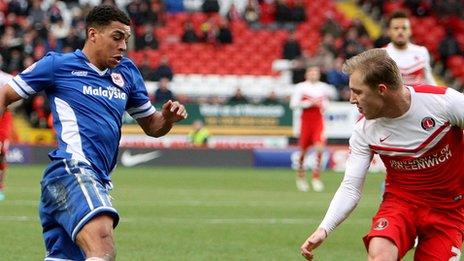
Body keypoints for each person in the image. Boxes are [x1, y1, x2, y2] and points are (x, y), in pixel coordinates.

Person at [0, 5, 187, 260]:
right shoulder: (58, 65)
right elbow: (5, 94)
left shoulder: (127, 73)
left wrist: (166, 118)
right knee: (102, 246)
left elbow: (152, 126)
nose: (123, 46)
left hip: (95, 180)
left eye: (127, 39)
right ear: (93, 34)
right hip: (72, 170)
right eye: (117, 37)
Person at [300, 48, 464, 260]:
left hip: (448, 210)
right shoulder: (364, 130)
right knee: (380, 254)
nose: (351, 99)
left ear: (382, 90)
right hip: (400, 205)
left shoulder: (444, 102)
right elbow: (350, 187)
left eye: (357, 92)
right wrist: (324, 228)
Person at [290, 66, 336, 192]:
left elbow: (329, 100)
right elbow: (293, 104)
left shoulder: (324, 87)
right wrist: (308, 103)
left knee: (320, 147)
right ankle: (301, 176)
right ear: (306, 74)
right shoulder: (300, 87)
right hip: (305, 122)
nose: (313, 75)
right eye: (310, 73)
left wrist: (323, 105)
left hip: (318, 121)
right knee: (303, 151)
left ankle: (316, 177)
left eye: (315, 73)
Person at [384, 10, 436, 86]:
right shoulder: (382, 54)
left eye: (404, 28)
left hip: (417, 97)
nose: (400, 31)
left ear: (410, 31)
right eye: (396, 28)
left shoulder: (422, 51)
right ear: (389, 31)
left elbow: (428, 79)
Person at [0, 70, 13, 201]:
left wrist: (6, 103)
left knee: (2, 153)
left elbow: (19, 99)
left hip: (3, 118)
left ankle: (0, 187)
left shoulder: (6, 78)